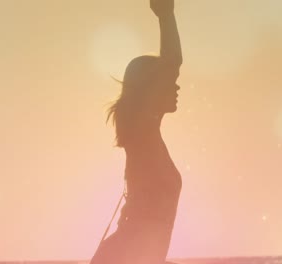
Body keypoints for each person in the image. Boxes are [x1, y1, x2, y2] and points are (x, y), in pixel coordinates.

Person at [89, 0, 182, 263]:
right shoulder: (142, 134)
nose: (176, 88)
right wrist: (166, 15)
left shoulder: (148, 134)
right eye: (169, 82)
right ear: (149, 90)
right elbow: (173, 60)